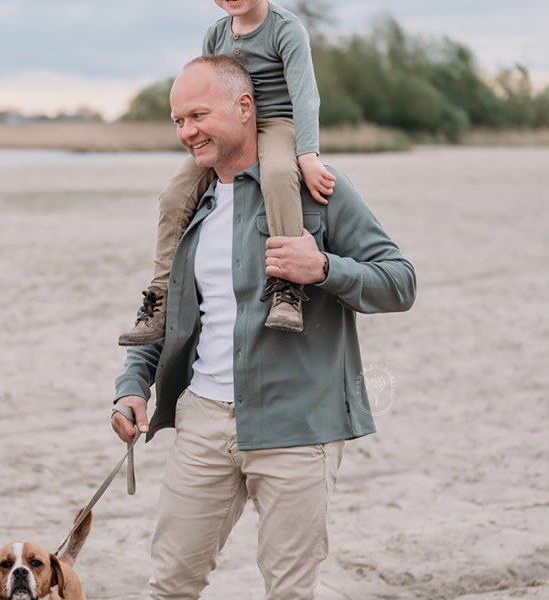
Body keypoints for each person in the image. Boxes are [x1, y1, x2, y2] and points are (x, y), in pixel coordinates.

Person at [110, 55, 416, 600]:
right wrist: (134, 384)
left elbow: (400, 282)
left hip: (298, 426)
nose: (186, 132)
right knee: (169, 587)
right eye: (178, 120)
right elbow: (169, 308)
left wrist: (322, 267)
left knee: (290, 593)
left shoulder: (314, 187)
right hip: (202, 422)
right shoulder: (188, 203)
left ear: (245, 107)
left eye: (198, 115)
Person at [118, 0, 334, 345]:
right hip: (230, 128)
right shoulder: (215, 34)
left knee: (279, 174)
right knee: (174, 194)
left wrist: (307, 155)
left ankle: (287, 288)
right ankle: (161, 297)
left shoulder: (285, 29)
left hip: (276, 123)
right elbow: (207, 86)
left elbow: (304, 95)